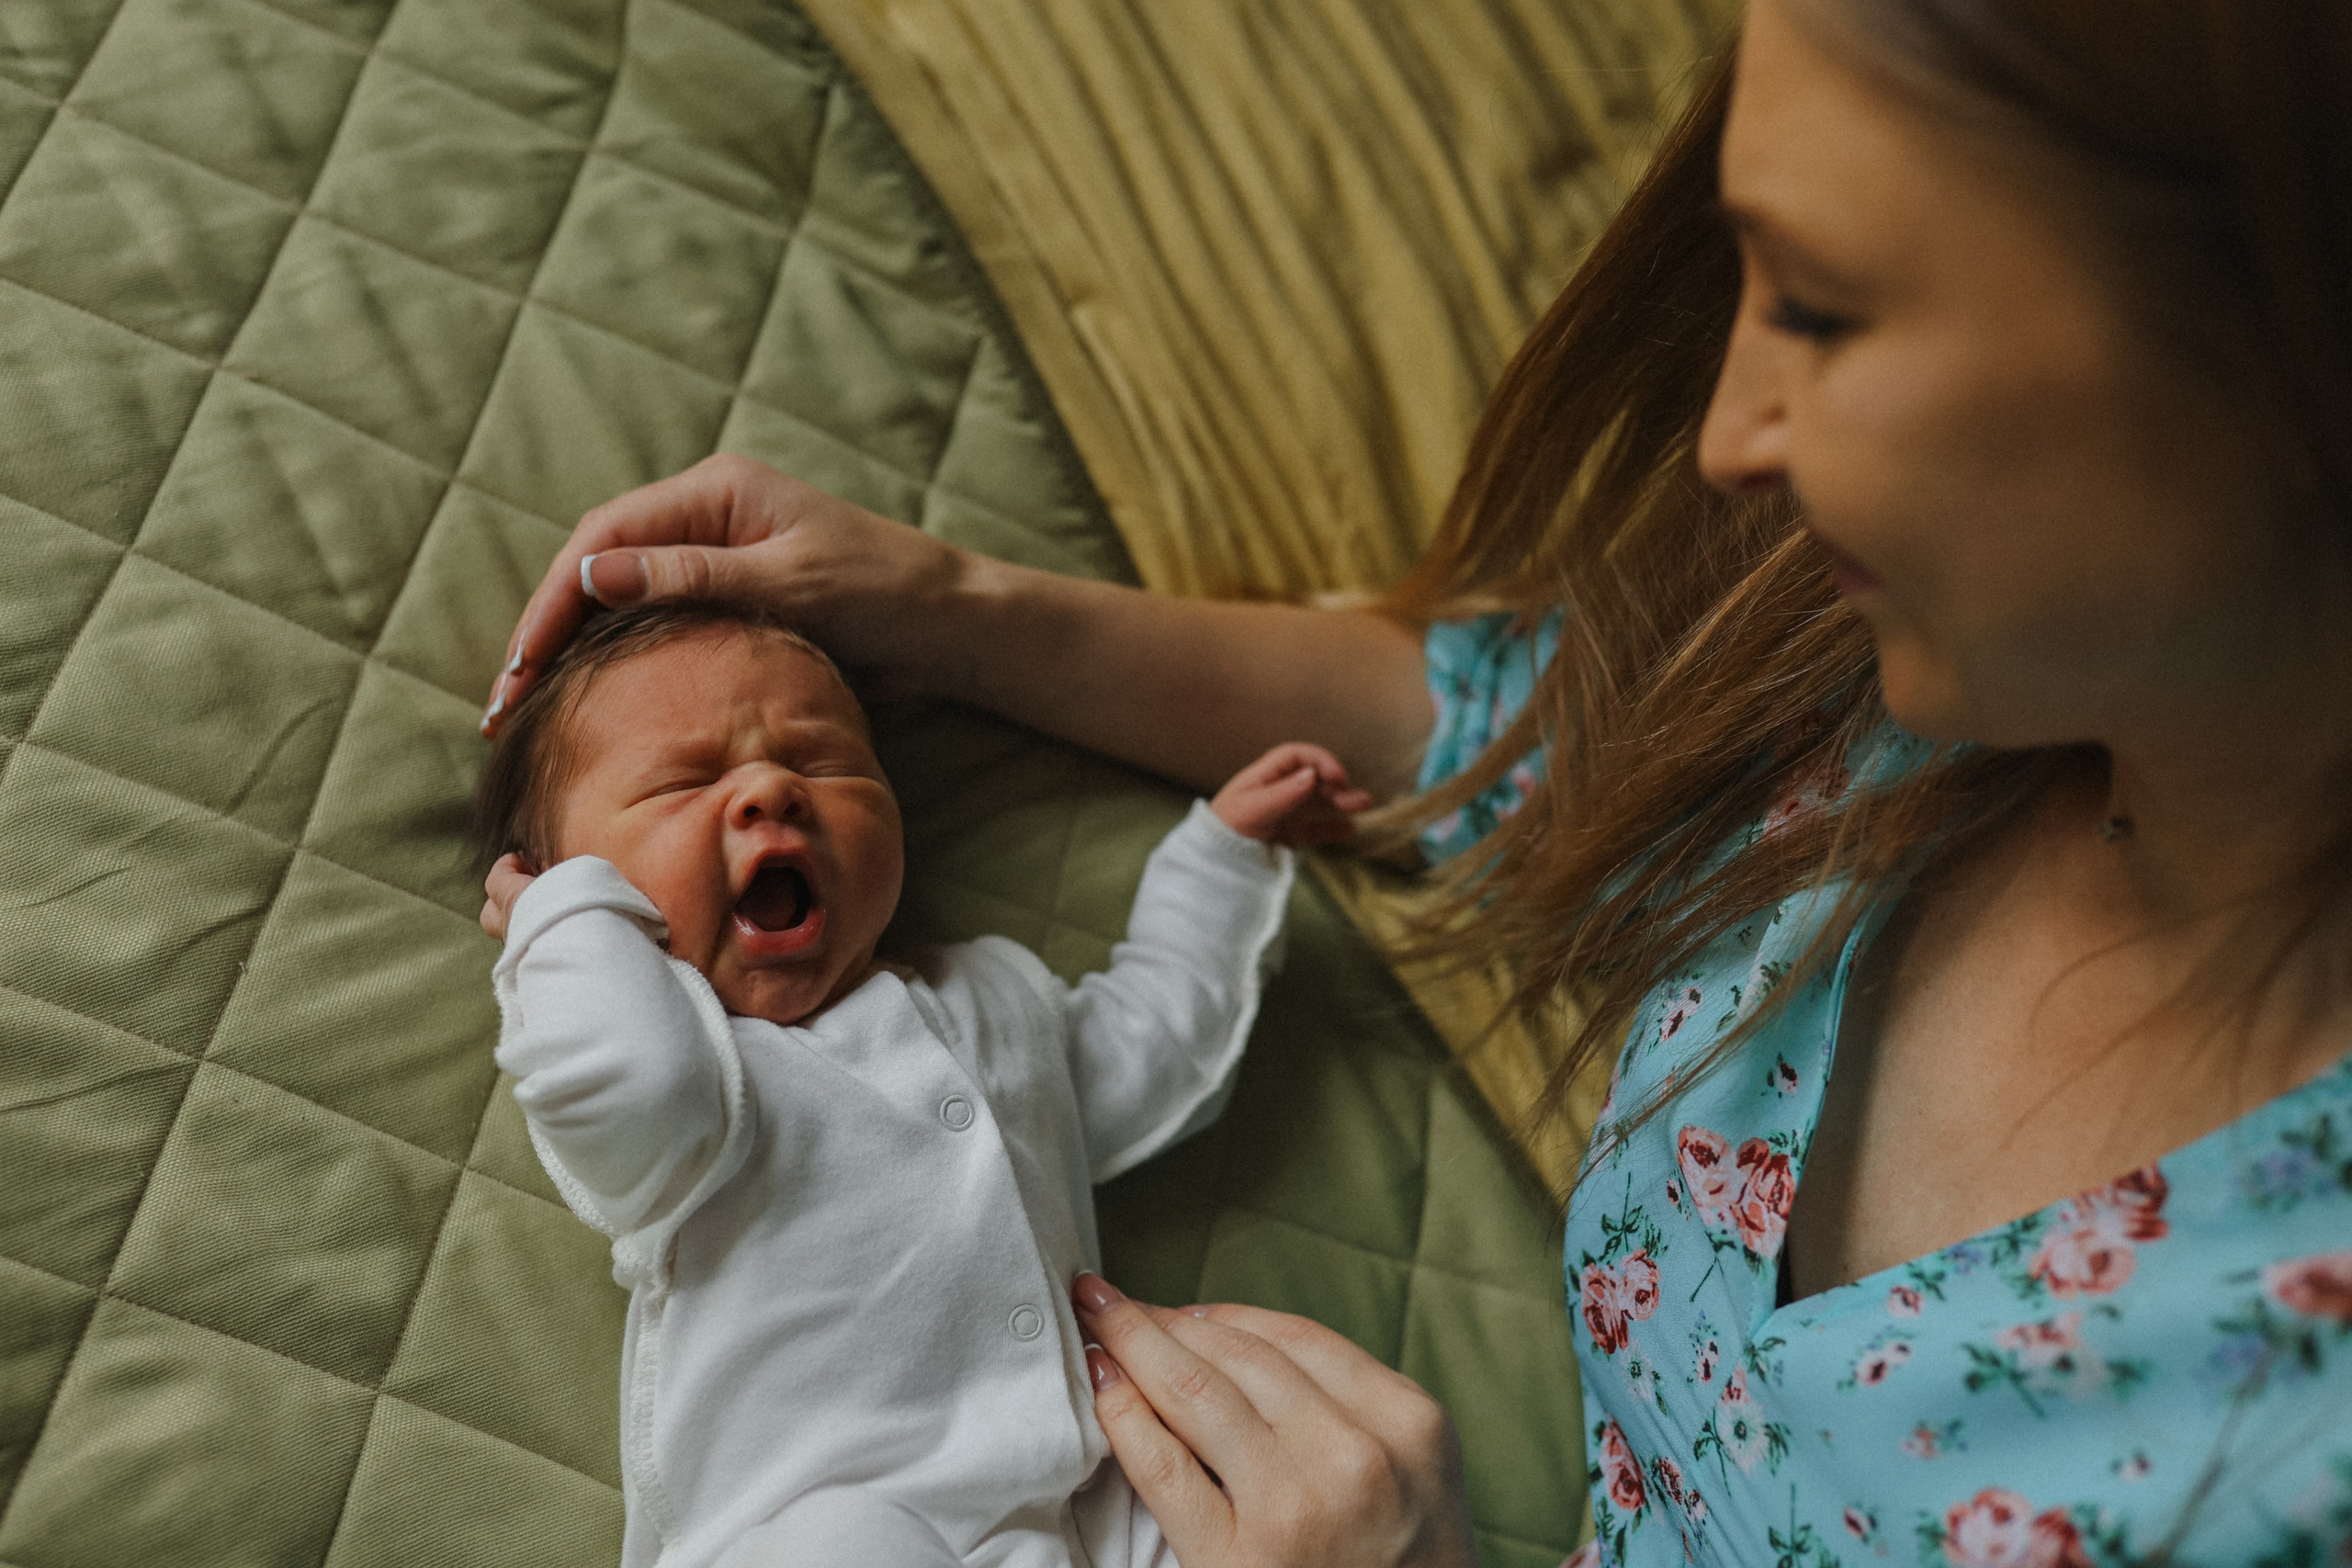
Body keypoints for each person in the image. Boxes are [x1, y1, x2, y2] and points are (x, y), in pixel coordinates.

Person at [481, 0, 2352, 1561]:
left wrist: (1210, 865)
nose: (1722, 438)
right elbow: (1521, 725)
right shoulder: (1879, 678)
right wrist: (946, 605)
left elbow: (1133, 1039)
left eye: (1831, 309)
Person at [469, 599, 1369, 1568]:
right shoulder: (693, 1087)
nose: (770, 789)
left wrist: (1221, 859)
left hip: (1086, 1506)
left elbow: (1150, 1047)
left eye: (824, 763)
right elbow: (623, 1070)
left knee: (1258, 1496)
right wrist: (556, 921)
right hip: (815, 1522)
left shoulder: (989, 996)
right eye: (682, 780)